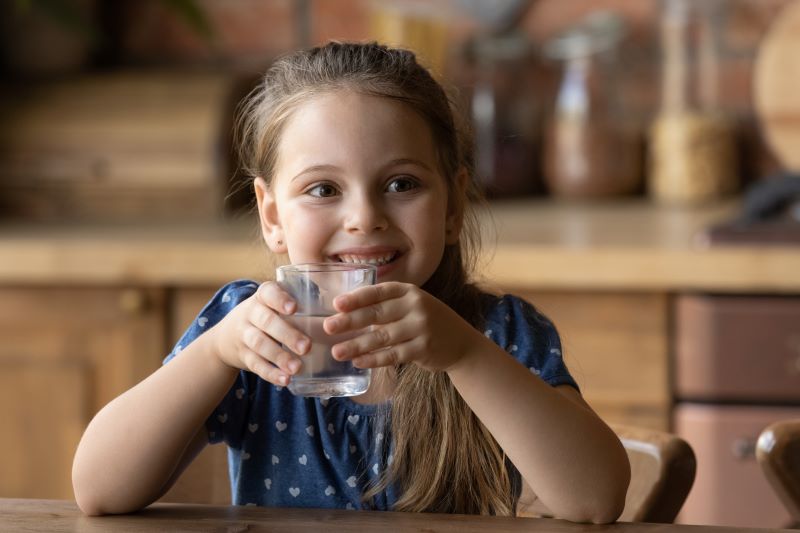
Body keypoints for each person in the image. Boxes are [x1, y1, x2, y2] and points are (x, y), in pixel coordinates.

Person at [72, 41, 630, 522]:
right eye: (322, 189)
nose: (364, 217)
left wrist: (464, 354)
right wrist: (216, 351)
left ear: (454, 205)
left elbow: (596, 499)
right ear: (271, 217)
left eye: (402, 183)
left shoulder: (496, 333)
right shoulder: (253, 335)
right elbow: (98, 489)